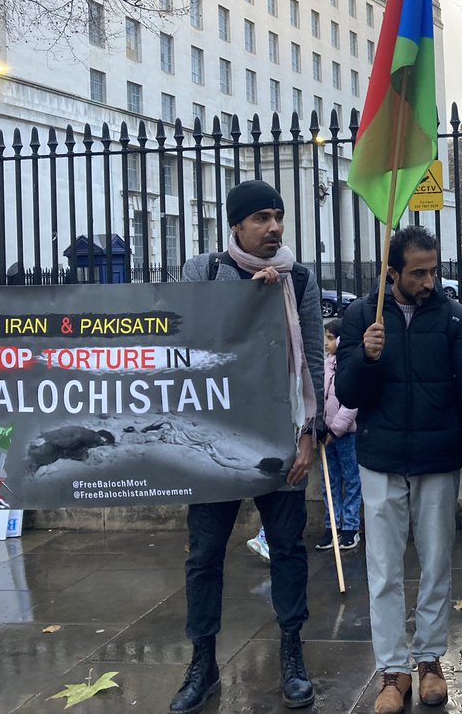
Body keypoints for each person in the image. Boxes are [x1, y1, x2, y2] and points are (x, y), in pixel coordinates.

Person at [336, 225, 462, 714]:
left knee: (437, 563)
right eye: (418, 273)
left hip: (438, 461)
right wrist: (365, 356)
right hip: (380, 460)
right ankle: (393, 671)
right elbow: (347, 395)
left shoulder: (454, 318)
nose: (429, 281)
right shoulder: (362, 315)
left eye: (434, 270)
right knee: (381, 571)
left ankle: (428, 661)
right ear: (392, 272)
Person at [170, 180, 325, 714]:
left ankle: (291, 653)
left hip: (278, 435)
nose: (274, 227)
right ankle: (203, 661)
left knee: (287, 550)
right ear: (235, 224)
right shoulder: (205, 271)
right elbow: (187, 337)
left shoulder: (297, 277)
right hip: (214, 441)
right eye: (260, 218)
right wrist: (244, 302)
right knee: (204, 555)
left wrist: (311, 432)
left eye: (278, 216)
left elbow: (311, 356)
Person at [314, 318, 361, 552]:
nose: (325, 342)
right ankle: (333, 525)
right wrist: (319, 427)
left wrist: (336, 429)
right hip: (325, 436)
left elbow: (352, 403)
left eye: (330, 338)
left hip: (345, 435)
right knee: (329, 482)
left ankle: (351, 526)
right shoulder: (324, 365)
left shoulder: (349, 366)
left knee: (351, 480)